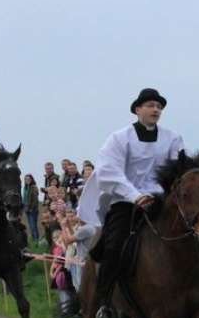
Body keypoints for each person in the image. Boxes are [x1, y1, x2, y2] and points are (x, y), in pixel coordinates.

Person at [77, 88, 184, 301]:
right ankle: (104, 299)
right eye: (151, 105)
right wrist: (135, 196)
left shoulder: (173, 138)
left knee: (188, 234)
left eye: (159, 106)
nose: (156, 110)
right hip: (126, 201)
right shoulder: (119, 139)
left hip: (160, 201)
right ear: (138, 110)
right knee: (115, 245)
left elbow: (177, 169)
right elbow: (109, 172)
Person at [23, 174, 40, 242]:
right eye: (26, 179)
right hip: (27, 209)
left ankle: (36, 241)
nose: (27, 180)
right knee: (31, 227)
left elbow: (35, 200)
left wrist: (31, 209)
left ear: (31, 179)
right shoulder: (25, 188)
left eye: (28, 179)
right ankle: (34, 241)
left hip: (33, 210)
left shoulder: (34, 188)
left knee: (33, 227)